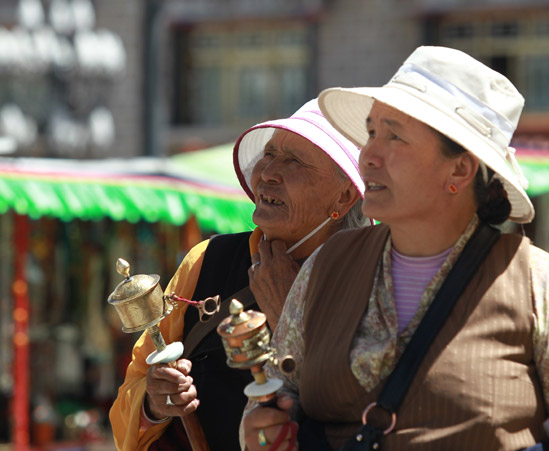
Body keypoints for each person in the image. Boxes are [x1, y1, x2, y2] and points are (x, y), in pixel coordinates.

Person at [242, 46, 549, 450]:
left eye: (394, 136)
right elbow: (274, 400)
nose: (367, 156)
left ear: (459, 170)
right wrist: (262, 431)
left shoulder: (537, 285)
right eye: (372, 132)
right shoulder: (327, 266)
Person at [109, 99, 371, 450]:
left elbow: (363, 407)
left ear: (344, 196)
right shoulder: (208, 260)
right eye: (270, 154)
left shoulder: (368, 279)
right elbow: (133, 391)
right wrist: (155, 403)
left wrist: (287, 313)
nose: (267, 173)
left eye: (293, 161)